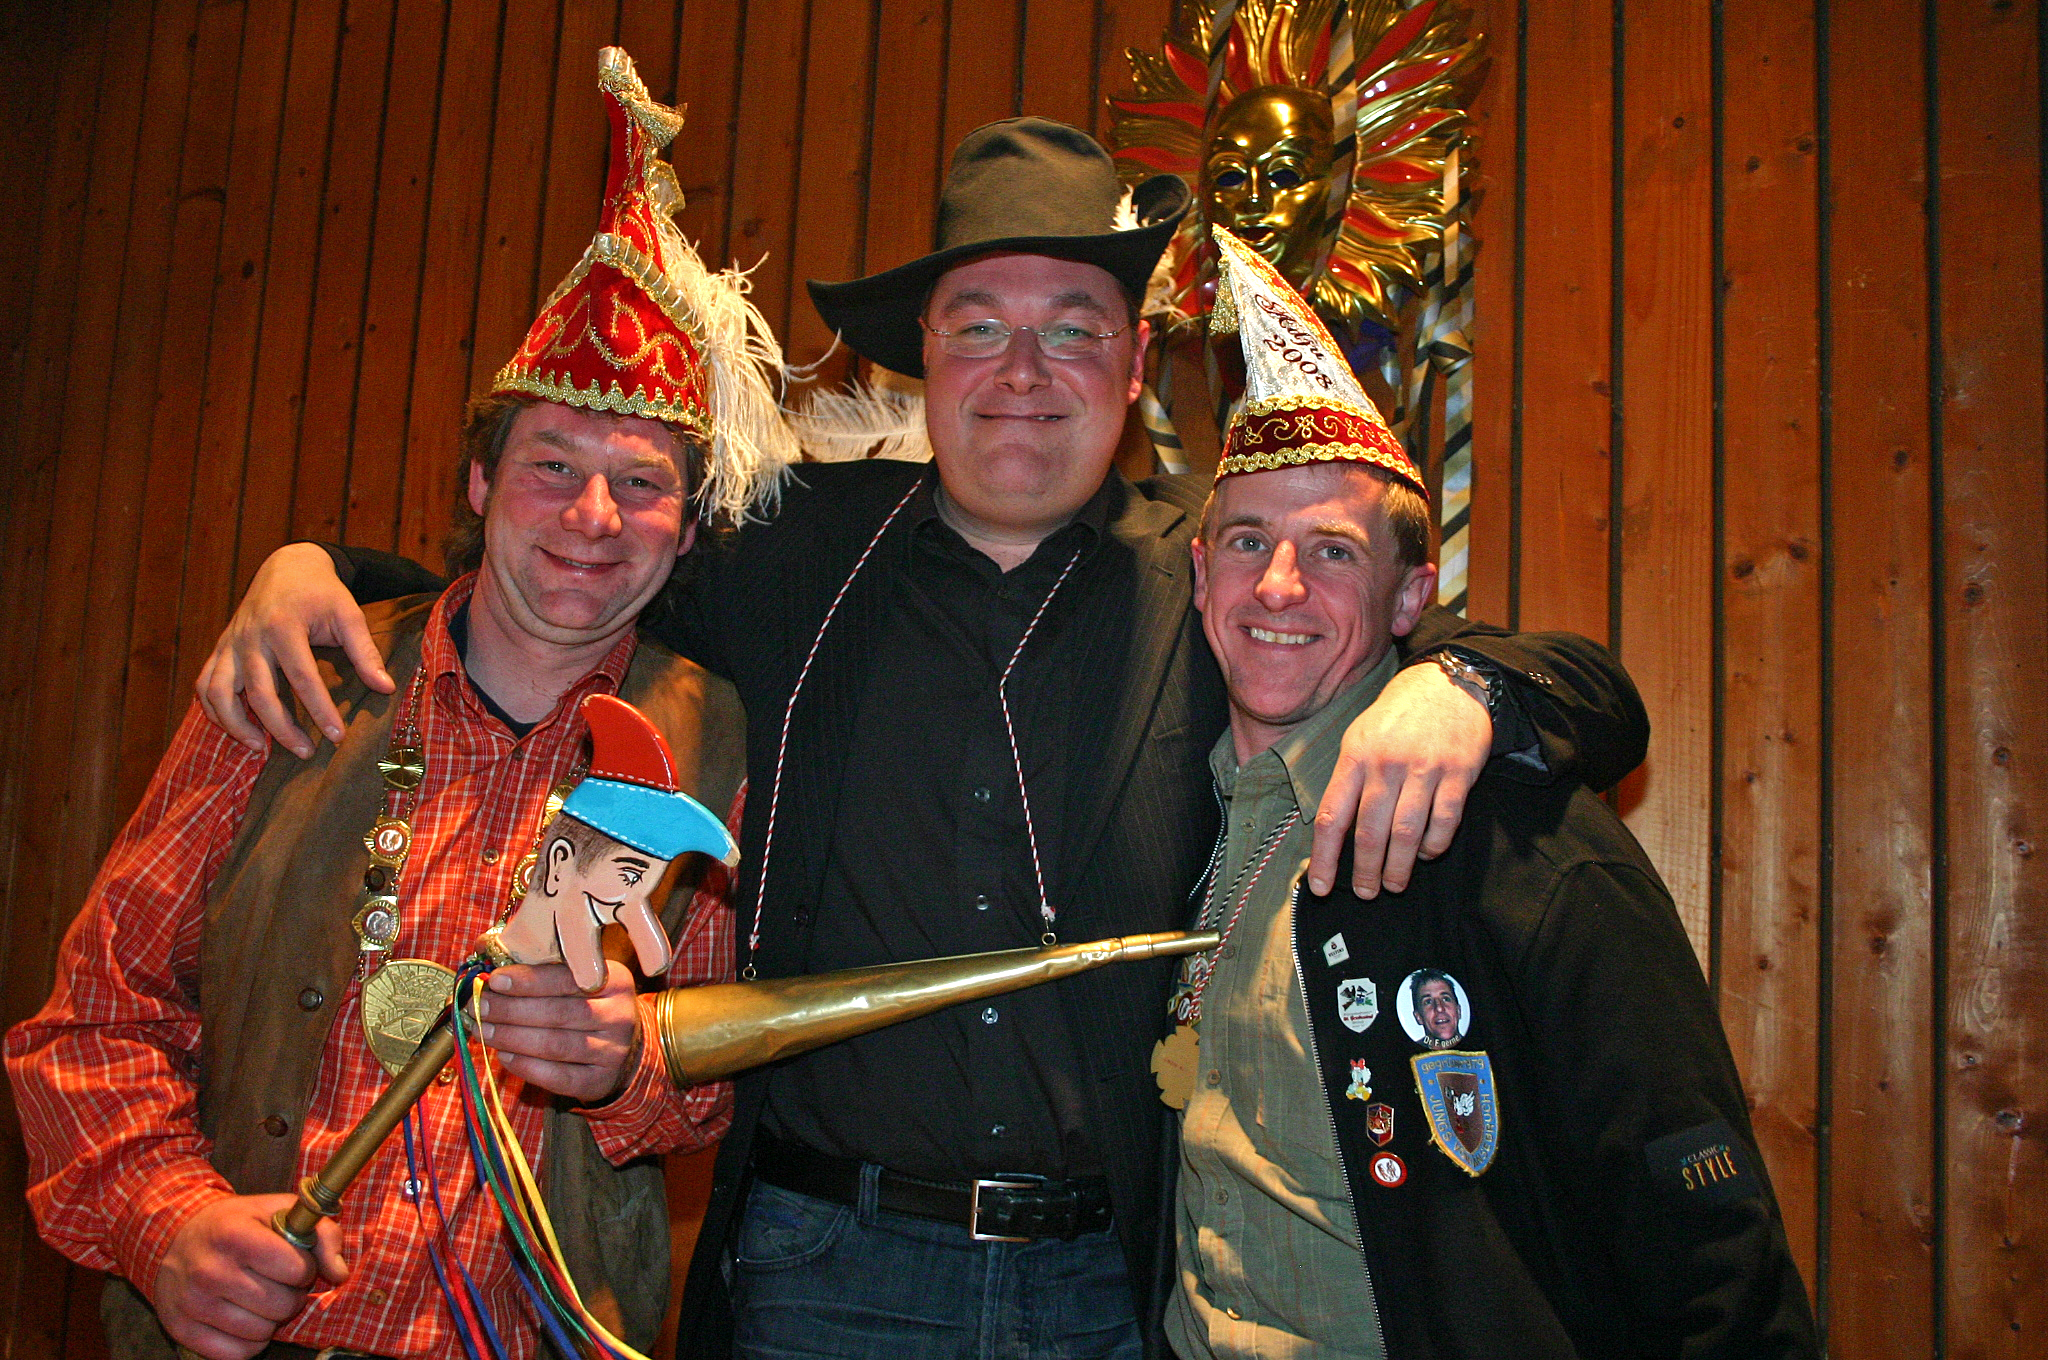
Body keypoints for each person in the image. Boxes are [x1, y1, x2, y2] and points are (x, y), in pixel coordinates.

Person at [195, 119, 1651, 1358]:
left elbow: (1551, 682)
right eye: (979, 329)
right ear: (926, 362)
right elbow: (568, 573)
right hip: (816, 1271)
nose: (1024, 370)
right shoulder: (789, 554)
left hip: (1114, 1284)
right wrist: (323, 569)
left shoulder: (1218, 584)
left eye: (1072, 329)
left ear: (1134, 364)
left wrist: (1468, 687)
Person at [6, 51, 789, 1360]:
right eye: (552, 465)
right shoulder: (296, 684)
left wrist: (627, 1067)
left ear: (690, 526)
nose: (594, 516)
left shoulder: (706, 745)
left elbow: (701, 1096)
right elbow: (94, 1017)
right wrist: (162, 1224)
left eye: (643, 481)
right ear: (480, 484)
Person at [1163, 225, 1817, 1358]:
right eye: (1247, 541)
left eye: (1332, 551)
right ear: (1197, 568)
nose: (1277, 585)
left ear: (1411, 595)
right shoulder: (1184, 811)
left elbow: (1713, 1263)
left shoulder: (1522, 839)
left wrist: (1475, 683)